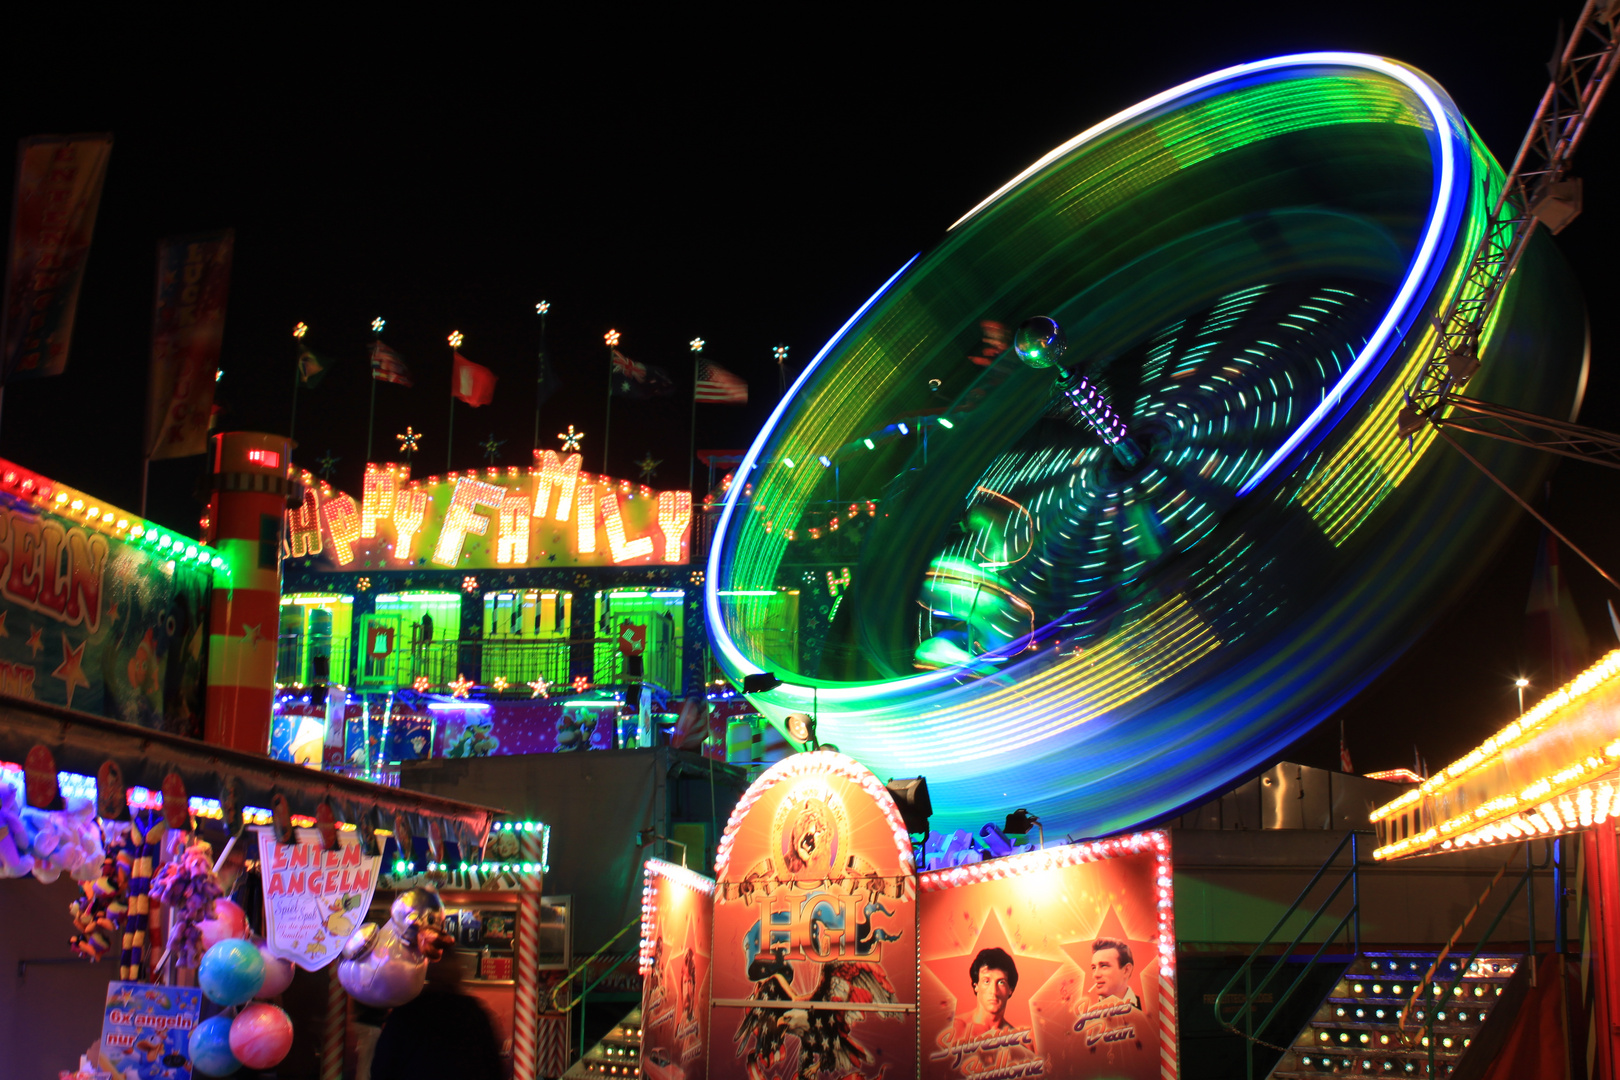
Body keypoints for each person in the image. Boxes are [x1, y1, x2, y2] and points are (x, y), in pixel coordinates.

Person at [370, 942, 502, 1080]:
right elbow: (493, 1065)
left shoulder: (408, 1011)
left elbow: (382, 1066)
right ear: (457, 971)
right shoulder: (472, 1012)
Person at [950, 946, 1019, 1043]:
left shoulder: (1021, 1041)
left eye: (1001, 982)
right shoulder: (953, 1029)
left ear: (1010, 989)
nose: (994, 991)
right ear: (976, 986)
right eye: (986, 981)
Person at [1087, 938, 1140, 1012]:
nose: (1096, 975)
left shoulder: (1145, 1011)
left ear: (1126, 970)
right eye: (1094, 968)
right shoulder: (1089, 1016)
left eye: (1104, 966)